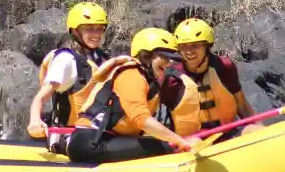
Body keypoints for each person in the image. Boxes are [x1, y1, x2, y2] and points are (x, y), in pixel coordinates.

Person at [65, 27, 198, 164]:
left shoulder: (146, 78)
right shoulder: (131, 74)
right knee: (161, 146)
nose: (169, 62)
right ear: (146, 55)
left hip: (105, 140)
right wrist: (180, 141)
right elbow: (142, 120)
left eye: (170, 59)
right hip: (90, 143)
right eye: (164, 57)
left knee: (159, 142)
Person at [26, 2, 123, 153]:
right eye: (89, 29)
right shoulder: (66, 60)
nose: (96, 34)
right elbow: (41, 97)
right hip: (72, 139)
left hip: (97, 134)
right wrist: (34, 121)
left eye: (100, 29)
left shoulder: (101, 58)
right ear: (75, 31)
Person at [161, 17, 264, 143]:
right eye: (183, 46)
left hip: (227, 134)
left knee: (255, 131)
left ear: (207, 45)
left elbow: (242, 105)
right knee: (196, 143)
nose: (189, 51)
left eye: (195, 45)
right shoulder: (171, 78)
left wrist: (263, 130)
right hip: (191, 141)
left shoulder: (224, 67)